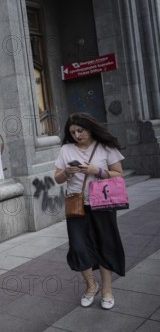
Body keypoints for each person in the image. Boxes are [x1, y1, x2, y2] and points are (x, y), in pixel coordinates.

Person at [54, 112, 126, 310]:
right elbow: (57, 178)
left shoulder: (105, 147)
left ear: (90, 128)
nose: (77, 135)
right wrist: (66, 172)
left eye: (80, 130)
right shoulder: (66, 150)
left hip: (103, 203)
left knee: (106, 245)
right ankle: (91, 286)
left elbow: (119, 175)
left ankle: (107, 290)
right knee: (78, 246)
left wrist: (97, 171)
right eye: (73, 132)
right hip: (77, 204)